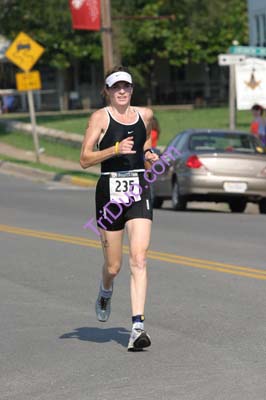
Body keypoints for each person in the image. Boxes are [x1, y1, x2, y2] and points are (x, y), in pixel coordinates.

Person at [80, 66, 159, 351]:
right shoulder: (99, 118)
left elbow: (145, 142)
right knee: (114, 265)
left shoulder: (145, 115)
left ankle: (137, 326)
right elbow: (85, 159)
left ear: (132, 89)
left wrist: (149, 156)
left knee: (139, 257)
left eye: (126, 86)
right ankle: (105, 289)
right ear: (108, 91)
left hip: (138, 188)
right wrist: (114, 149)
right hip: (110, 192)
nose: (122, 91)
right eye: (116, 87)